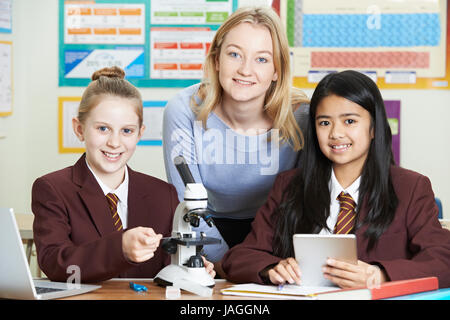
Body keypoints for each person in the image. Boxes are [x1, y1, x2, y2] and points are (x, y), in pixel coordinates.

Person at [221, 70, 450, 288]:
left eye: (349, 121)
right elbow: (239, 257)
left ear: (373, 128)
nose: (335, 133)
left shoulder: (410, 188)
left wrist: (380, 275)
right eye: (324, 122)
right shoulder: (290, 186)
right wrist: (271, 268)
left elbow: (443, 261)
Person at [32, 66, 215, 283]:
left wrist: (190, 267)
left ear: (140, 133)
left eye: (126, 131)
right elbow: (55, 263)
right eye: (103, 129)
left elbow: (168, 264)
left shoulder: (162, 194)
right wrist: (120, 249)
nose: (114, 143)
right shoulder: (53, 189)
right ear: (79, 129)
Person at [162, 7, 309, 266]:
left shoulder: (302, 117)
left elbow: (304, 202)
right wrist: (226, 265)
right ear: (217, 60)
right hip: (205, 231)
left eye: (262, 59)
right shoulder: (183, 109)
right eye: (234, 54)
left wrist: (257, 265)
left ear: (277, 70)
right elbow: (187, 203)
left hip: (275, 234)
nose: (245, 70)